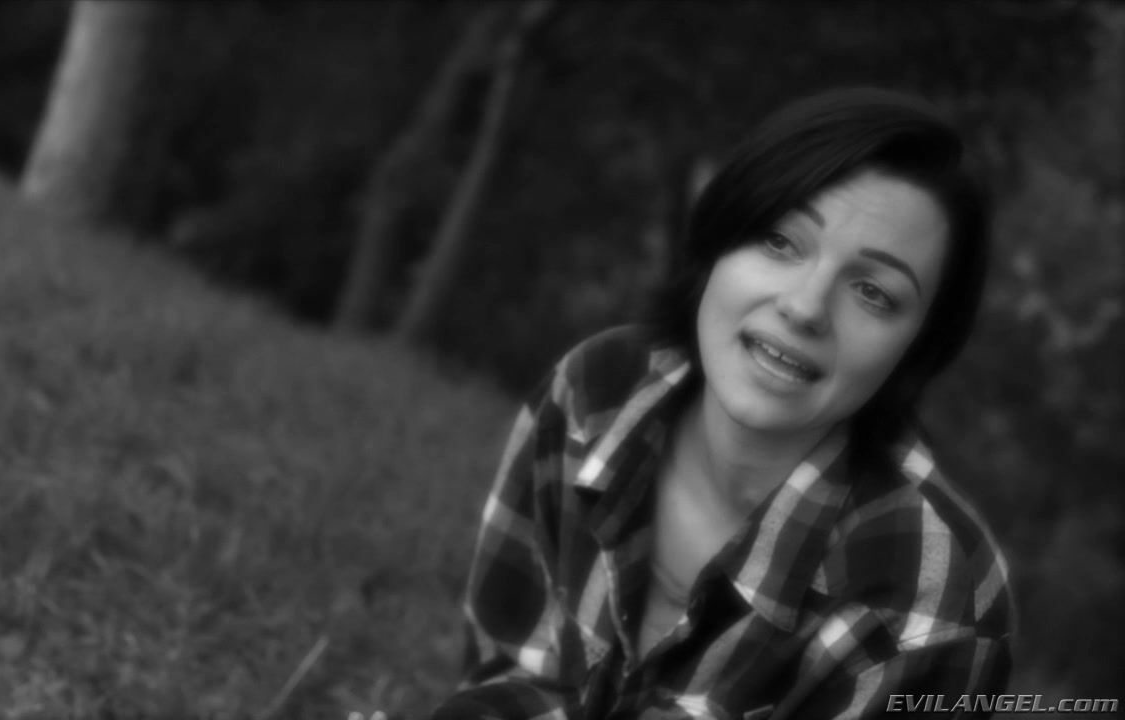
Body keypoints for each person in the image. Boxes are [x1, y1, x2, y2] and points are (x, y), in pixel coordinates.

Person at [427, 87, 1014, 720]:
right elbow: (511, 676)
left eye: (874, 292)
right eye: (780, 241)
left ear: (918, 347)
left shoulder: (935, 598)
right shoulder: (594, 394)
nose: (805, 307)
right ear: (720, 239)